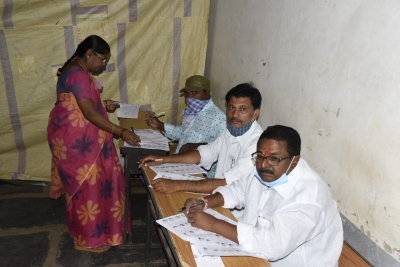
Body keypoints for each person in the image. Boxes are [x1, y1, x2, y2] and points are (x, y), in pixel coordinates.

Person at [182, 125, 344, 266]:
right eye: (259, 156)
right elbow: (238, 190)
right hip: (255, 253)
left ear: (294, 161)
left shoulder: (307, 199)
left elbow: (271, 246)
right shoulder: (267, 169)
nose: (263, 164)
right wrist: (204, 202)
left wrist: (213, 224)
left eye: (274, 158)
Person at [47, 35, 140, 253]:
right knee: (89, 188)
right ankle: (87, 240)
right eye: (102, 59)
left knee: (88, 188)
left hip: (76, 138)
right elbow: (88, 112)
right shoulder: (78, 75)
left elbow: (78, 103)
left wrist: (102, 103)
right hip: (82, 142)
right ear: (89, 54)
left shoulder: (74, 70)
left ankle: (87, 234)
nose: (103, 65)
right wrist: (121, 131)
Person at [139, 83, 263, 195]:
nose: (235, 115)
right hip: (219, 195)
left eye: (243, 109)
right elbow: (203, 154)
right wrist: (162, 159)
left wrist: (177, 185)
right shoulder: (230, 131)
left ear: (255, 114)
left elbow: (227, 183)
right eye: (231, 108)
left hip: (235, 210)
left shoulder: (258, 145)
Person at [145, 75, 226, 177]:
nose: (190, 97)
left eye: (195, 92)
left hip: (200, 170)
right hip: (179, 159)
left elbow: (222, 147)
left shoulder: (218, 118)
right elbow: (182, 133)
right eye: (187, 93)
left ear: (207, 93)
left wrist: (198, 146)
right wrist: (160, 125)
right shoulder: (190, 112)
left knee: (154, 176)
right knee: (147, 169)